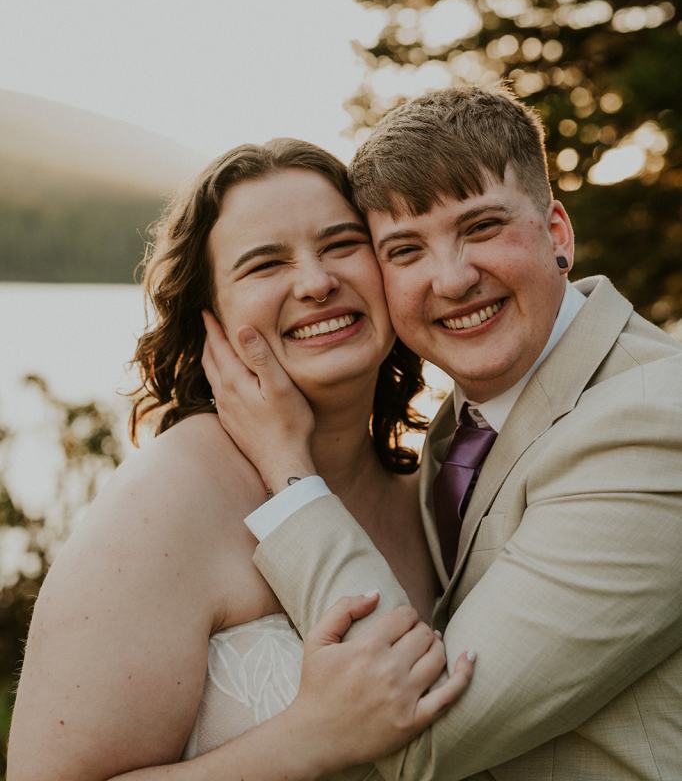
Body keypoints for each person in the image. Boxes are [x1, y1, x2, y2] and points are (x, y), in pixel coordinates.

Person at [202, 85, 682, 781]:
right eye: (405, 250)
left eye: (482, 228)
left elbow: (420, 727)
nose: (452, 280)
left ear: (557, 234)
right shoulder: (462, 423)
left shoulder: (652, 424)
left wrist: (285, 463)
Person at [8, 139, 475, 781]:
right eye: (264, 265)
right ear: (212, 320)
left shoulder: (428, 487)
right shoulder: (168, 500)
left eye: (342, 244)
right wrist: (307, 738)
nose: (316, 283)